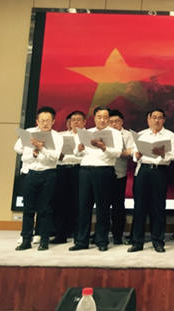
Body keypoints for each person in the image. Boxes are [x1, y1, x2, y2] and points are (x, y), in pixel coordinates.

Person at [69, 106, 123, 252]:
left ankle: (102, 240)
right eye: (99, 117)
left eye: (105, 117)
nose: (102, 120)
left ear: (109, 118)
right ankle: (82, 240)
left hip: (104, 171)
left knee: (103, 207)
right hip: (85, 171)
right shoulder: (87, 132)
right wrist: (79, 149)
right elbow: (76, 154)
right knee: (84, 207)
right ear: (94, 118)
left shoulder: (115, 133)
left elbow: (117, 153)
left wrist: (104, 147)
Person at [14, 106, 63, 251]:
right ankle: (26, 239)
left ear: (53, 121)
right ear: (37, 121)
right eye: (42, 120)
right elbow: (23, 156)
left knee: (46, 209)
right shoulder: (29, 133)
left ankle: (44, 240)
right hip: (31, 173)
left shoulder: (57, 137)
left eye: (48, 120)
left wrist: (42, 149)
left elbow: (55, 157)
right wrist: (34, 153)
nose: (45, 123)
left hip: (49, 173)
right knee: (28, 209)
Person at [128, 109, 174, 253]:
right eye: (154, 117)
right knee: (140, 207)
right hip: (143, 170)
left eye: (160, 118)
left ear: (164, 120)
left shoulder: (170, 135)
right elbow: (134, 155)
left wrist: (163, 154)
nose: (156, 120)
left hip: (159, 171)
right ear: (148, 119)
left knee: (158, 207)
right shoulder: (141, 135)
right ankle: (137, 242)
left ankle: (158, 241)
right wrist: (137, 155)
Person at [52, 110, 86, 244]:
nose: (75, 122)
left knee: (79, 203)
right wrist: (59, 155)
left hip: (79, 169)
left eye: (78, 120)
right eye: (73, 120)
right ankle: (61, 234)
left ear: (84, 122)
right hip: (62, 169)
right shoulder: (61, 136)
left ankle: (78, 235)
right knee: (61, 202)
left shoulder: (88, 136)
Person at [109, 109, 135, 245]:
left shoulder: (127, 135)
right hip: (104, 173)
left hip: (119, 173)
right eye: (111, 122)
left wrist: (113, 151)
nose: (113, 124)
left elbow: (129, 153)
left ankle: (117, 234)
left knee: (118, 205)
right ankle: (101, 233)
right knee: (103, 205)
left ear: (122, 122)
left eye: (116, 121)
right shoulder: (105, 133)